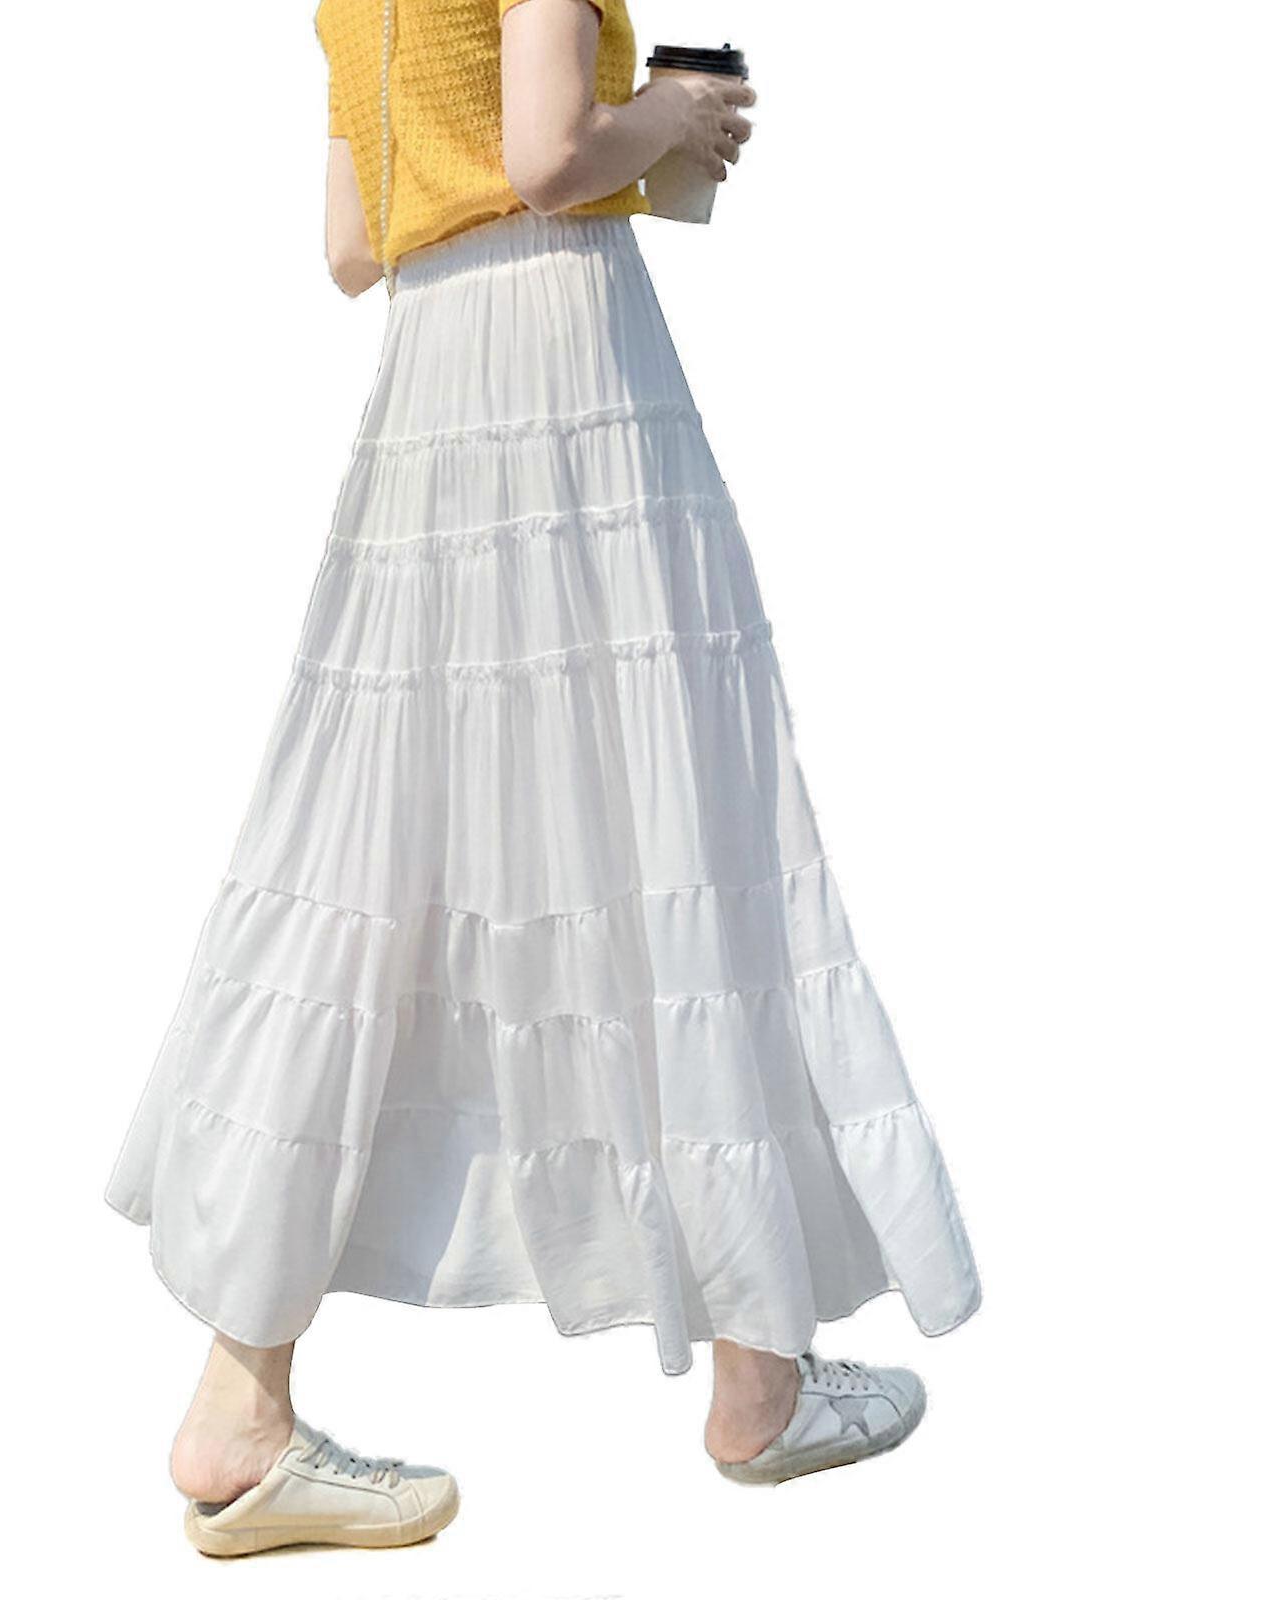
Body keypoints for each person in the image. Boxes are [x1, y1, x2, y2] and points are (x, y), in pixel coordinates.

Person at [107, 0, 980, 1558]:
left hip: (429, 389)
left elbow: (352, 245)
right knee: (680, 820)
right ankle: (759, 1384)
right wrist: (673, 123)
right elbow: (547, 155)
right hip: (573, 371)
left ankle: (242, 1401)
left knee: (365, 860)